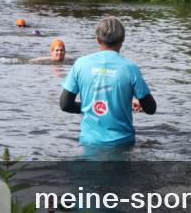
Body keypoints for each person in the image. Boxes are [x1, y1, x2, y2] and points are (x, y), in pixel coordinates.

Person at [60, 17, 157, 146]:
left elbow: (65, 104)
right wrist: (127, 105)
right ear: (122, 39)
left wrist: (88, 108)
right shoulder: (130, 68)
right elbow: (150, 108)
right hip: (122, 142)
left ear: (98, 40)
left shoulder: (80, 64)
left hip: (89, 142)